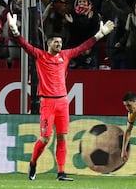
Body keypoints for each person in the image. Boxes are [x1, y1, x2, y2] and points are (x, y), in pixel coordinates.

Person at [6, 12, 114, 181]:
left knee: (62, 136)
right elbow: (24, 45)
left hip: (63, 102)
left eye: (61, 42)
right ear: (48, 44)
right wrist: (14, 31)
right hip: (48, 103)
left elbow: (83, 47)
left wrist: (99, 35)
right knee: (45, 138)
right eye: (56, 42)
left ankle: (61, 172)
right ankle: (33, 162)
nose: (59, 44)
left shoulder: (66, 55)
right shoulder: (40, 56)